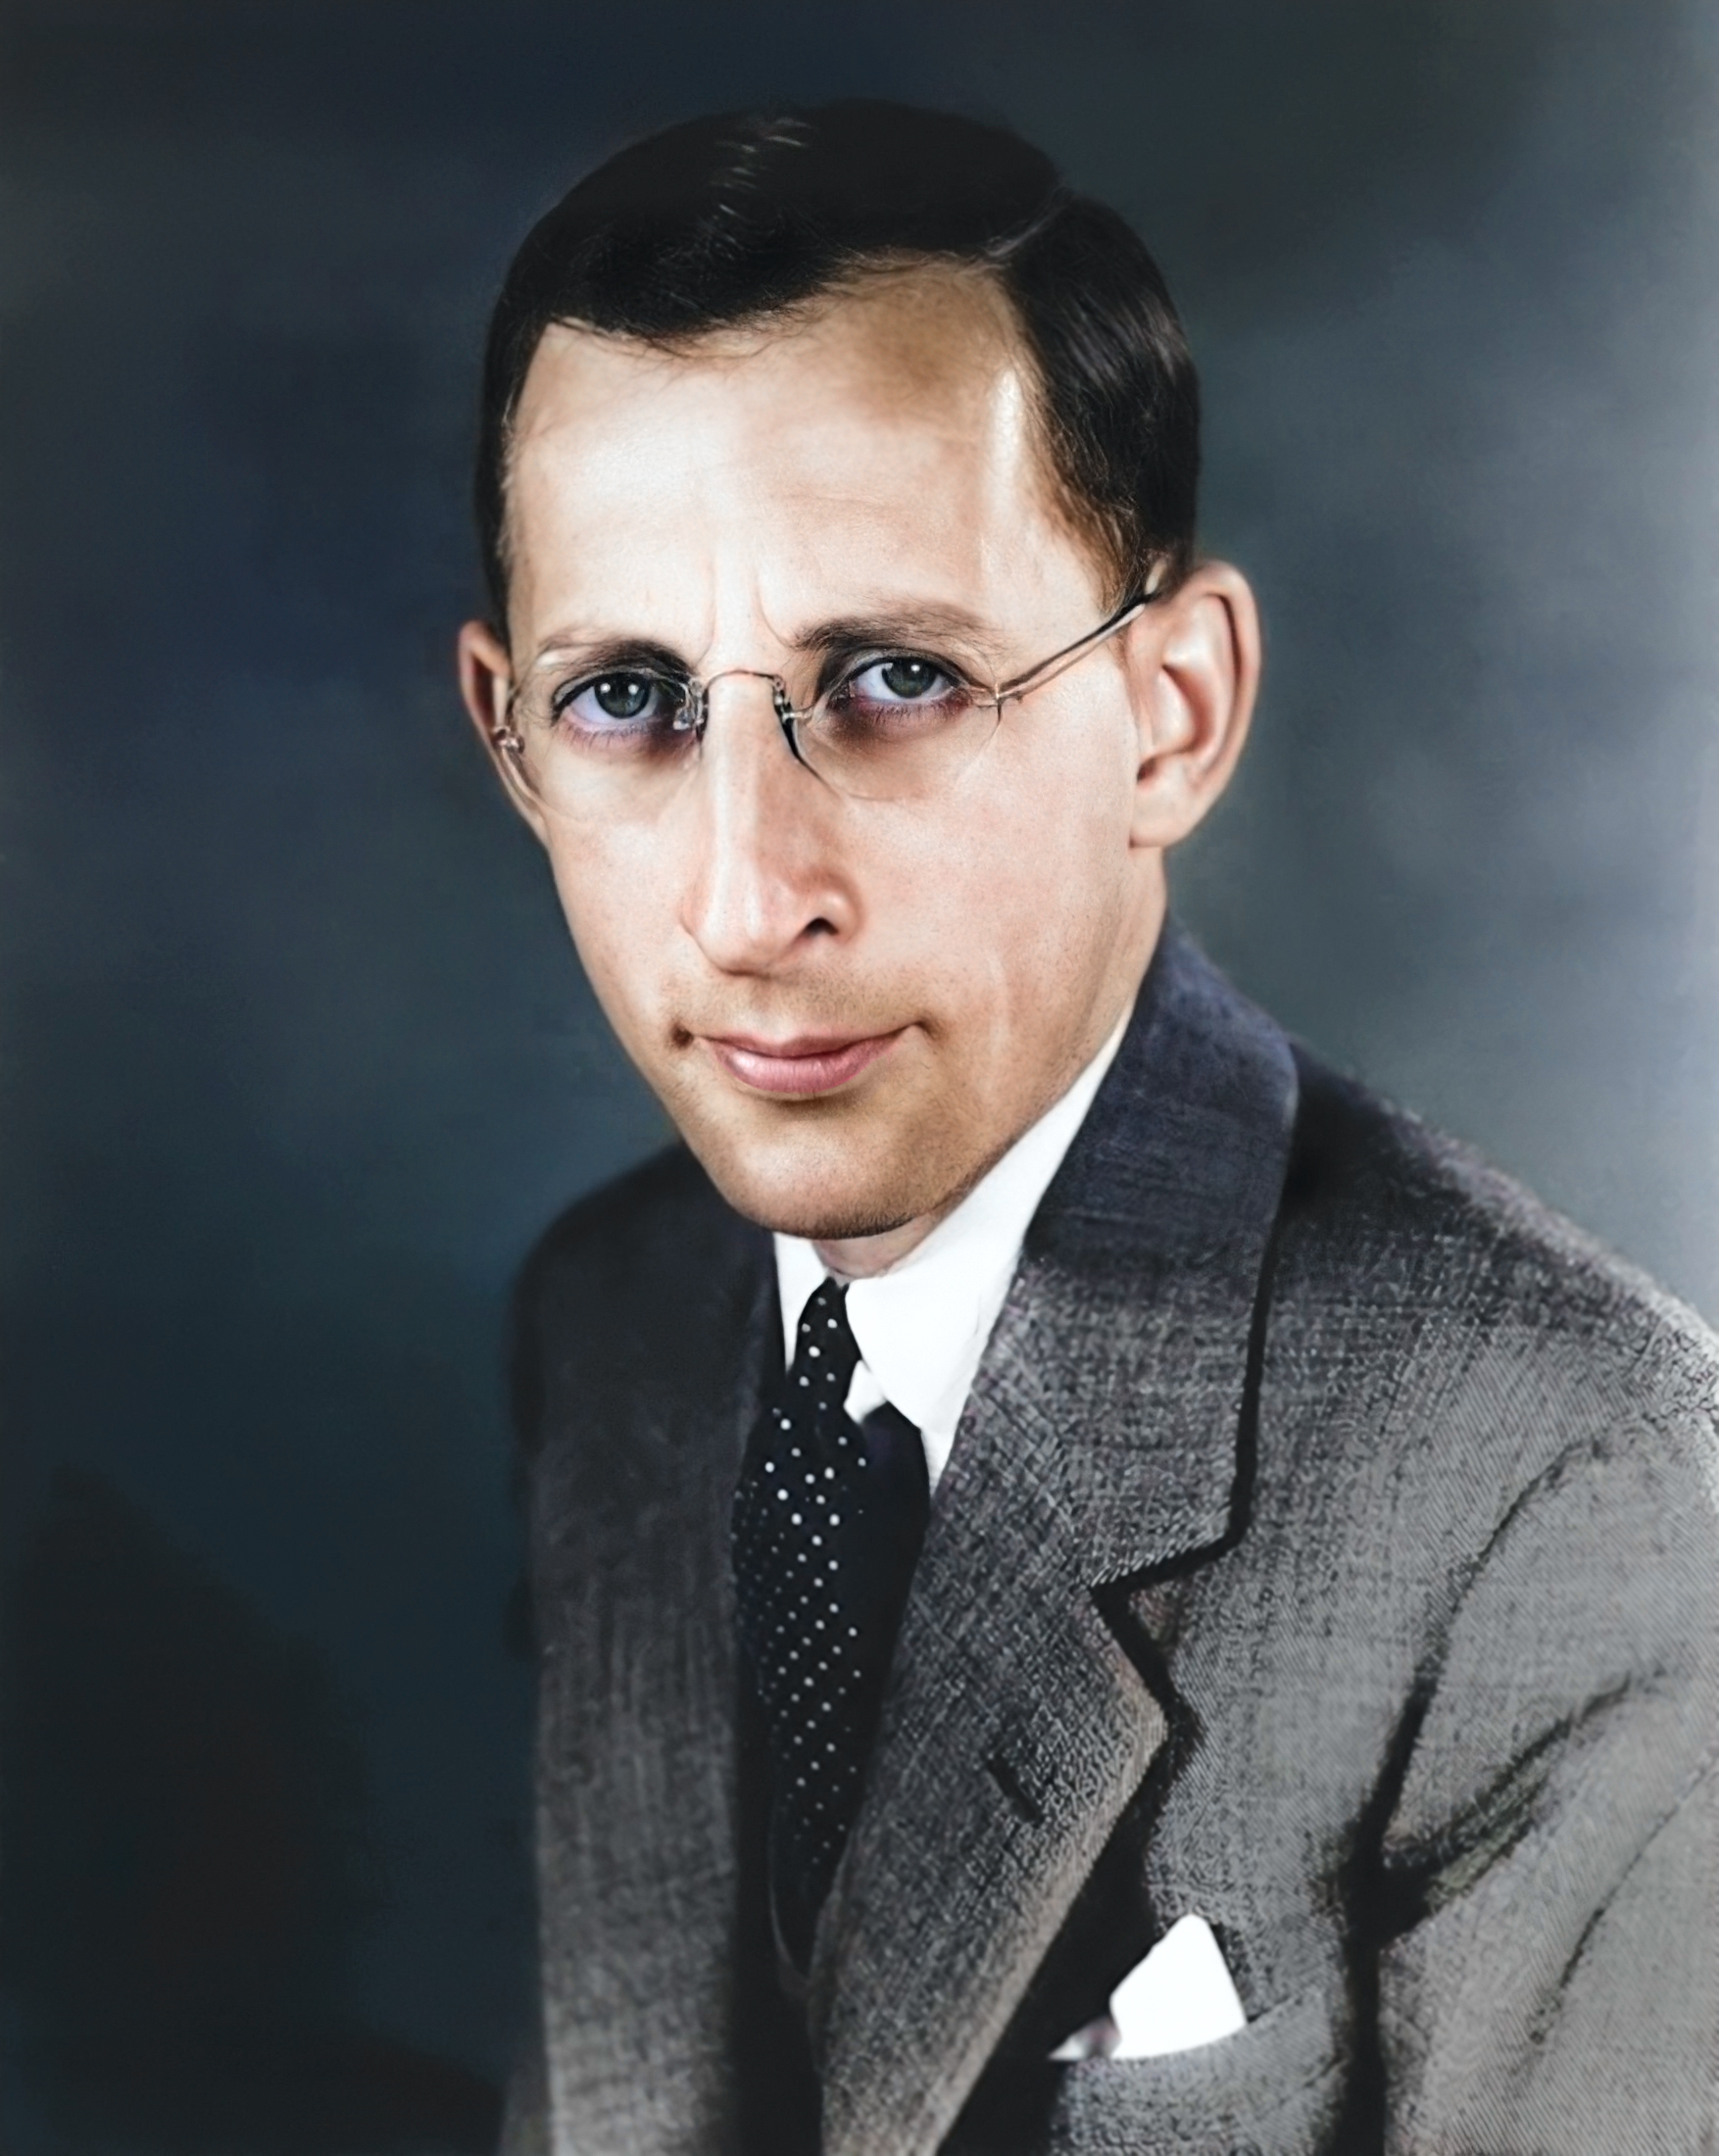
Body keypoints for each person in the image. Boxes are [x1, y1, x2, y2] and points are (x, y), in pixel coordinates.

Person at [456, 102, 1719, 2155]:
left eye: (892, 676)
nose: (746, 901)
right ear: (507, 734)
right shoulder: (613, 1321)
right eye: (629, 698)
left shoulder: (1579, 1494)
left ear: (1172, 712)